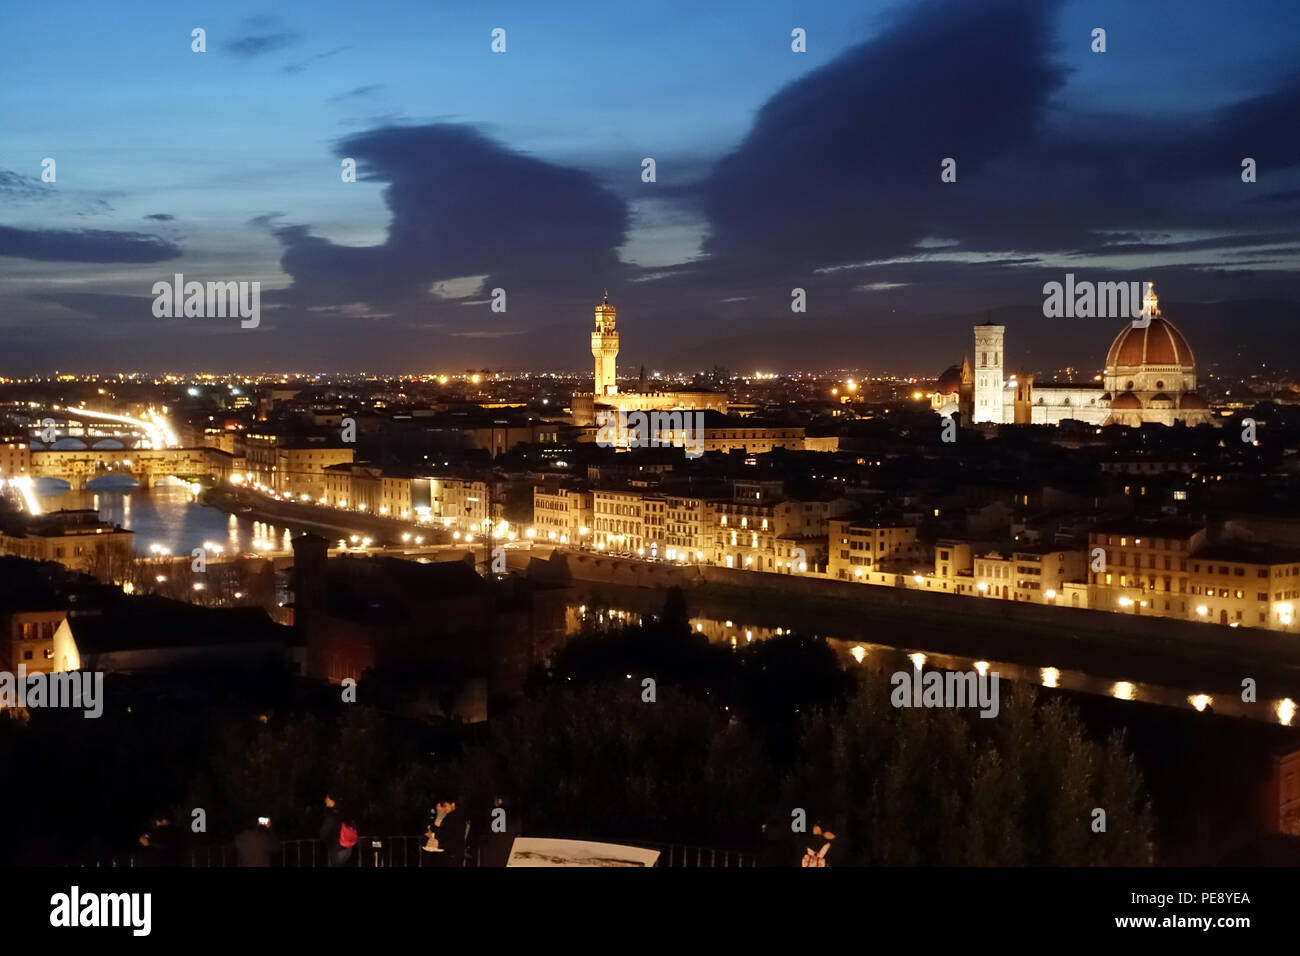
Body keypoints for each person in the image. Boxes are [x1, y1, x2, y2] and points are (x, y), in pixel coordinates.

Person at [473, 795, 520, 868]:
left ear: (499, 801)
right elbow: (517, 832)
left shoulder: (491, 813)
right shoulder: (514, 815)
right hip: (506, 850)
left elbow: (484, 831)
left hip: (492, 850)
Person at [429, 796, 466, 867]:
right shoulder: (456, 815)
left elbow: (446, 833)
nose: (444, 809)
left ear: (453, 804)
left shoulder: (453, 817)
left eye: (446, 806)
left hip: (452, 852)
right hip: (455, 852)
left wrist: (434, 833)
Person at [320, 794, 356, 867]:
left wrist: (324, 838)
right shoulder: (344, 812)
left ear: (332, 801)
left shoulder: (330, 814)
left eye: (327, 798)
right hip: (348, 848)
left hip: (336, 849)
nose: (325, 801)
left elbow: (324, 833)